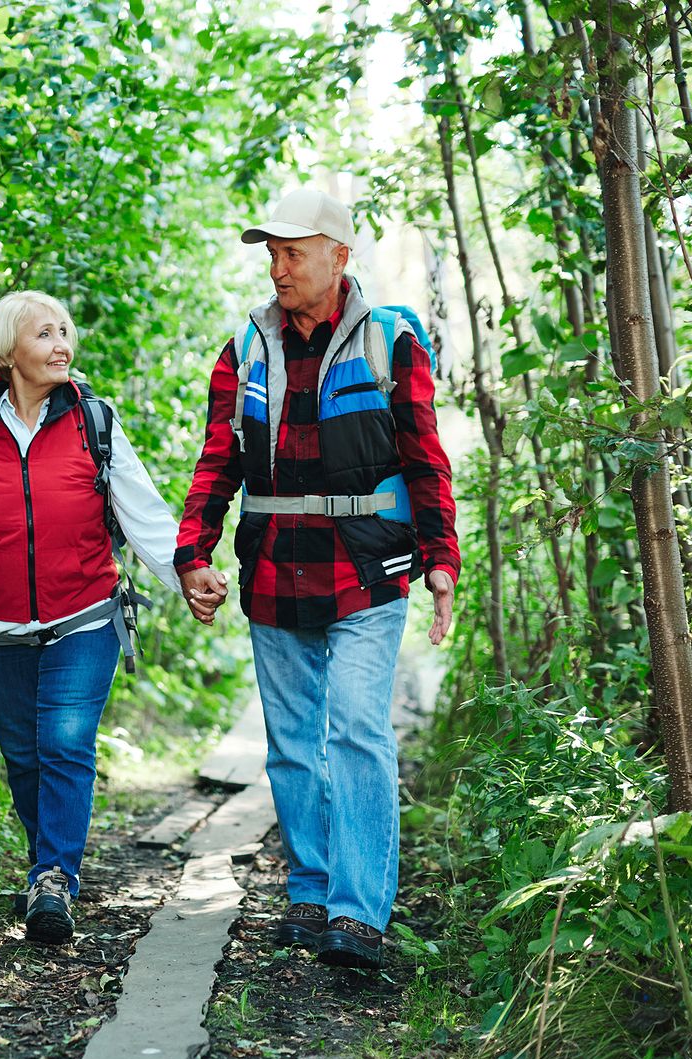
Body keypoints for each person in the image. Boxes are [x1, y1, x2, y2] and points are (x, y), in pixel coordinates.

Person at [175, 188, 460, 969]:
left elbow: (425, 458)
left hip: (367, 570)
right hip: (274, 570)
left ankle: (358, 909)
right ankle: (309, 888)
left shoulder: (390, 341)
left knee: (357, 728)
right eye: (272, 253)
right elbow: (218, 459)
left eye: (293, 253)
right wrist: (193, 552)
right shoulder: (245, 349)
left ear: (339, 256)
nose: (278, 268)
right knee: (293, 743)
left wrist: (441, 559)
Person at [0, 290, 186, 945]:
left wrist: (189, 574)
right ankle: (50, 867)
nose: (62, 344)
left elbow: (145, 514)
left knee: (65, 745)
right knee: (25, 757)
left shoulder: (94, 421)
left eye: (65, 331)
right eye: (45, 333)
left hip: (84, 616)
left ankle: (54, 877)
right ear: (9, 349)